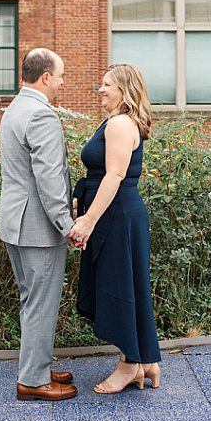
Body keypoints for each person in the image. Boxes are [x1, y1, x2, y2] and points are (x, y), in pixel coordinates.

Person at [0, 47, 87, 402]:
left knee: (30, 300)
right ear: (46, 77)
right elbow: (50, 179)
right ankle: (33, 381)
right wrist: (68, 224)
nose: (63, 82)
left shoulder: (15, 109)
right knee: (41, 303)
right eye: (61, 76)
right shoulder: (42, 116)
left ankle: (35, 366)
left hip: (15, 223)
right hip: (38, 228)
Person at [69, 63, 162, 394]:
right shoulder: (113, 121)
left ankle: (129, 365)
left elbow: (114, 176)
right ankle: (144, 360)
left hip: (117, 217)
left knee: (120, 287)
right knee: (125, 285)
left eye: (107, 85)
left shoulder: (121, 123)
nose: (100, 89)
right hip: (116, 214)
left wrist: (88, 222)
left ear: (125, 90)